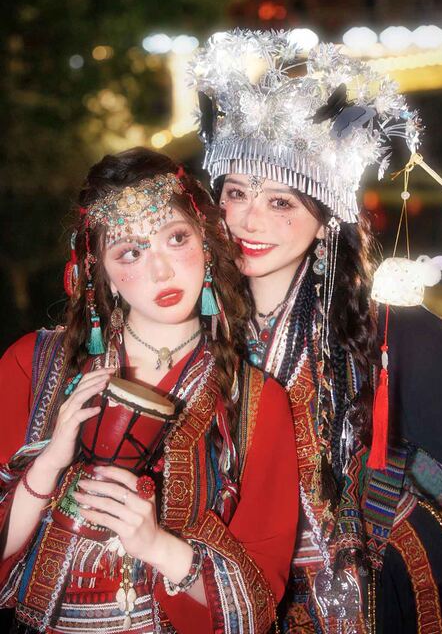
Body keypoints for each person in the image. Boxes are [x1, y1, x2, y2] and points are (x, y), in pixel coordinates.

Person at [191, 30, 442, 633]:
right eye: (236, 194)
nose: (248, 219)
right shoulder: (188, 330)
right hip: (224, 590)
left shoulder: (386, 333)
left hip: (376, 596)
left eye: (280, 203)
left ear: (325, 220)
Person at [0, 147, 299, 634]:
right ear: (103, 273)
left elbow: (258, 604)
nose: (162, 271)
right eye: (131, 252)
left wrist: (158, 546)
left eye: (176, 238)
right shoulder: (33, 365)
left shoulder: (257, 402)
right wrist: (49, 464)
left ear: (206, 242)